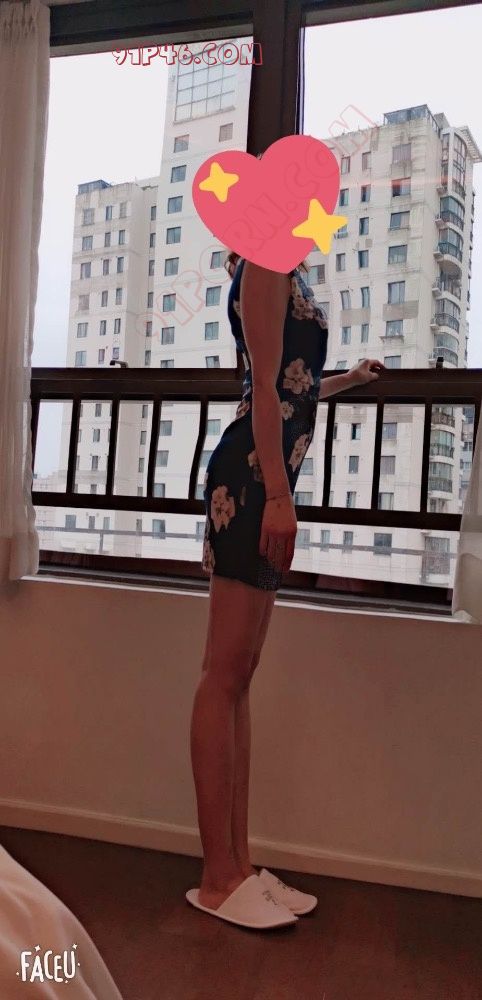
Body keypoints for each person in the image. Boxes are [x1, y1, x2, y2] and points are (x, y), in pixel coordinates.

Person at [187, 251, 385, 929]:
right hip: (249, 478)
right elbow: (265, 392)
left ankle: (239, 867)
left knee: (240, 677)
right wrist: (276, 494)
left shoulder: (286, 270)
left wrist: (351, 379)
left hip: (266, 475)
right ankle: (217, 877)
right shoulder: (266, 265)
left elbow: (295, 386)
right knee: (222, 674)